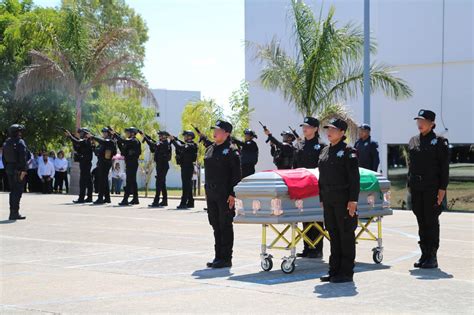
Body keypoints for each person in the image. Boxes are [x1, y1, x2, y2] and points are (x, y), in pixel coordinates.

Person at [318, 118, 360, 283]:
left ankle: (346, 272)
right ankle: (334, 270)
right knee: (333, 235)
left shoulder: (349, 151)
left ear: (342, 133)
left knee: (345, 235)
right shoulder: (324, 151)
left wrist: (353, 200)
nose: (329, 132)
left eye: (333, 130)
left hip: (344, 200)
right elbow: (321, 177)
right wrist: (322, 198)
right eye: (328, 129)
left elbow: (354, 179)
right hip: (328, 200)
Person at [408, 109, 449, 269]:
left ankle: (432, 256)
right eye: (418, 120)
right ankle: (424, 254)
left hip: (432, 188)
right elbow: (410, 166)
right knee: (421, 221)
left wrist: (442, 190)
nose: (420, 124)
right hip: (416, 188)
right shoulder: (413, 141)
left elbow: (444, 168)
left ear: (432, 124)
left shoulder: (439, 141)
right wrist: (410, 186)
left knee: (431, 221)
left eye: (423, 121)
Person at [200, 120, 241, 268]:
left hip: (225, 194)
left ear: (227, 133)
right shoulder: (210, 148)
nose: (214, 132)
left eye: (218, 130)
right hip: (211, 193)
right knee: (215, 224)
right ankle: (218, 256)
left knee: (225, 224)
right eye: (214, 129)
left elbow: (236, 174)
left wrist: (232, 194)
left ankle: (226, 258)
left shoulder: (231, 150)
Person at [293, 116, 327, 259]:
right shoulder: (299, 145)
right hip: (302, 185)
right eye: (303, 127)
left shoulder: (322, 145)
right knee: (304, 217)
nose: (304, 129)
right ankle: (307, 247)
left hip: (316, 185)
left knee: (316, 218)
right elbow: (295, 165)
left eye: (307, 127)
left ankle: (317, 249)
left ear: (315, 129)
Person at [2, 124, 29, 220]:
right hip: (18, 169)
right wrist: (23, 170)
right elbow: (23, 157)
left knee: (13, 191)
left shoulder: (6, 143)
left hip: (9, 169)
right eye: (20, 131)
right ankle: (14, 213)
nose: (21, 133)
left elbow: (3, 158)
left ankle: (13, 212)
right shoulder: (20, 142)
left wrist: (7, 167)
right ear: (17, 132)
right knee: (17, 191)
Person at [142, 130, 172, 207]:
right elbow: (153, 149)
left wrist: (146, 138)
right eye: (159, 135)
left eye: (161, 135)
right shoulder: (163, 143)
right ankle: (164, 201)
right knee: (162, 184)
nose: (159, 137)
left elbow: (153, 145)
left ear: (165, 136)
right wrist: (148, 139)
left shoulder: (164, 143)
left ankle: (156, 201)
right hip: (161, 165)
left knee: (158, 183)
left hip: (162, 165)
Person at [112, 127, 141, 206]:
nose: (126, 134)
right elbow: (123, 151)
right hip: (129, 163)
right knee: (133, 181)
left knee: (129, 181)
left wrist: (116, 135)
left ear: (132, 133)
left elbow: (123, 141)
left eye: (128, 132)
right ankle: (135, 199)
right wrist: (118, 141)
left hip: (132, 163)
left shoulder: (134, 140)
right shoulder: (129, 141)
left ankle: (125, 199)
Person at [87, 127, 117, 204]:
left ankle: (100, 198)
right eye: (103, 132)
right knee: (104, 180)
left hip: (105, 163)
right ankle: (107, 198)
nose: (103, 133)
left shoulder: (110, 141)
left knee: (102, 180)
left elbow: (103, 142)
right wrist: (93, 146)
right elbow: (97, 152)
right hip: (101, 162)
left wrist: (93, 136)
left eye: (105, 132)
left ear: (108, 133)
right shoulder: (102, 142)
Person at [65, 128, 94, 203]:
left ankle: (81, 198)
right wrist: (72, 137)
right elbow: (77, 147)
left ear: (85, 133)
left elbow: (77, 142)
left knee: (83, 181)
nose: (80, 134)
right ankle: (89, 197)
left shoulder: (86, 141)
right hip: (85, 163)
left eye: (81, 133)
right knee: (88, 181)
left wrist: (70, 136)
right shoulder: (86, 141)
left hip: (85, 163)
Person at [170, 130, 198, 209]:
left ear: (190, 136)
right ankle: (190, 202)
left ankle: (183, 203)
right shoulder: (188, 144)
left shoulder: (192, 144)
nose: (184, 137)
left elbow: (180, 147)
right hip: (185, 166)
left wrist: (173, 140)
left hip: (188, 166)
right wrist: (176, 139)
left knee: (186, 185)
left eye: (186, 135)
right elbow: (182, 144)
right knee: (188, 185)